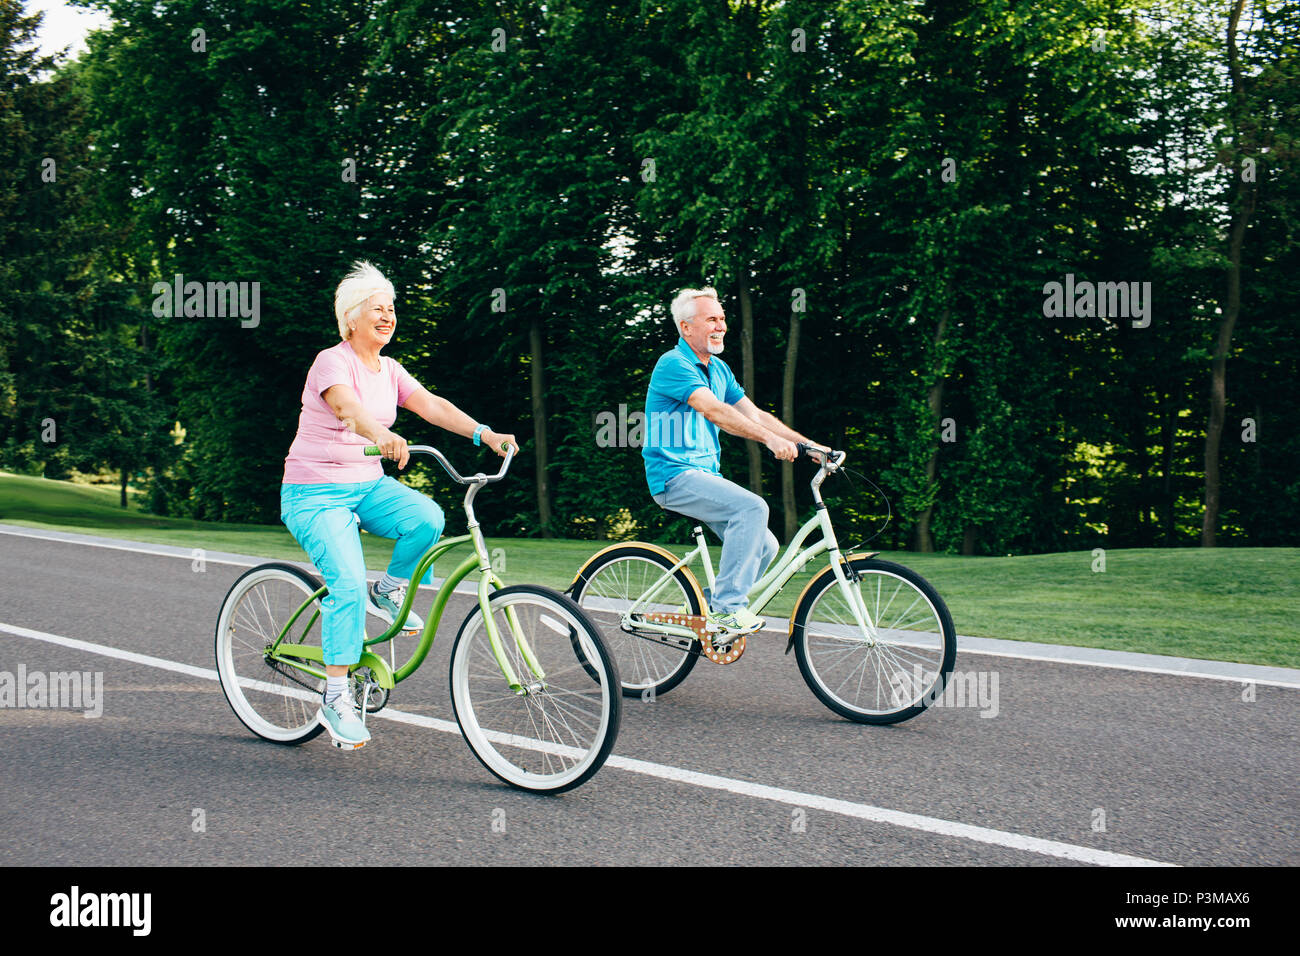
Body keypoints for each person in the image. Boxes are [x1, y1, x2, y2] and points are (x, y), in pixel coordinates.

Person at [280, 261, 515, 749]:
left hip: (366, 486)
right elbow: (347, 408)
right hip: (314, 492)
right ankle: (336, 695)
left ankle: (387, 590)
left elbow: (431, 405)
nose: (387, 316)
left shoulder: (389, 369)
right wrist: (383, 435)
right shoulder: (332, 361)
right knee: (344, 584)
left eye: (391, 309)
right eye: (376, 310)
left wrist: (483, 433)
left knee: (427, 519)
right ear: (350, 319)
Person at [642, 286, 828, 637]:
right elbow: (713, 410)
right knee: (752, 509)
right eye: (711, 319)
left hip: (704, 474)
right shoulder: (674, 363)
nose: (721, 326)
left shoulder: (720, 369)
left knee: (766, 545)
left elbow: (754, 414)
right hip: (674, 475)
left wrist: (810, 446)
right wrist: (769, 441)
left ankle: (705, 607)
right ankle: (727, 610)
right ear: (685, 327)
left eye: (723, 319)